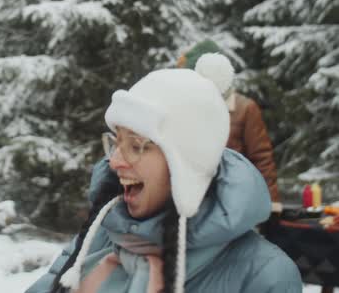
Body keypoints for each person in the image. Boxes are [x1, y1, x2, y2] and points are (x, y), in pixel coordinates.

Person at [25, 57, 300, 292]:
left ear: (186, 163)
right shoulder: (98, 236)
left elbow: (262, 154)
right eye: (116, 142)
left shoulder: (264, 275)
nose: (114, 161)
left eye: (135, 146)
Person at [177, 40, 279, 201]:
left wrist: (271, 204)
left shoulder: (244, 108)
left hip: (236, 202)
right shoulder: (188, 107)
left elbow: (262, 158)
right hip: (196, 202)